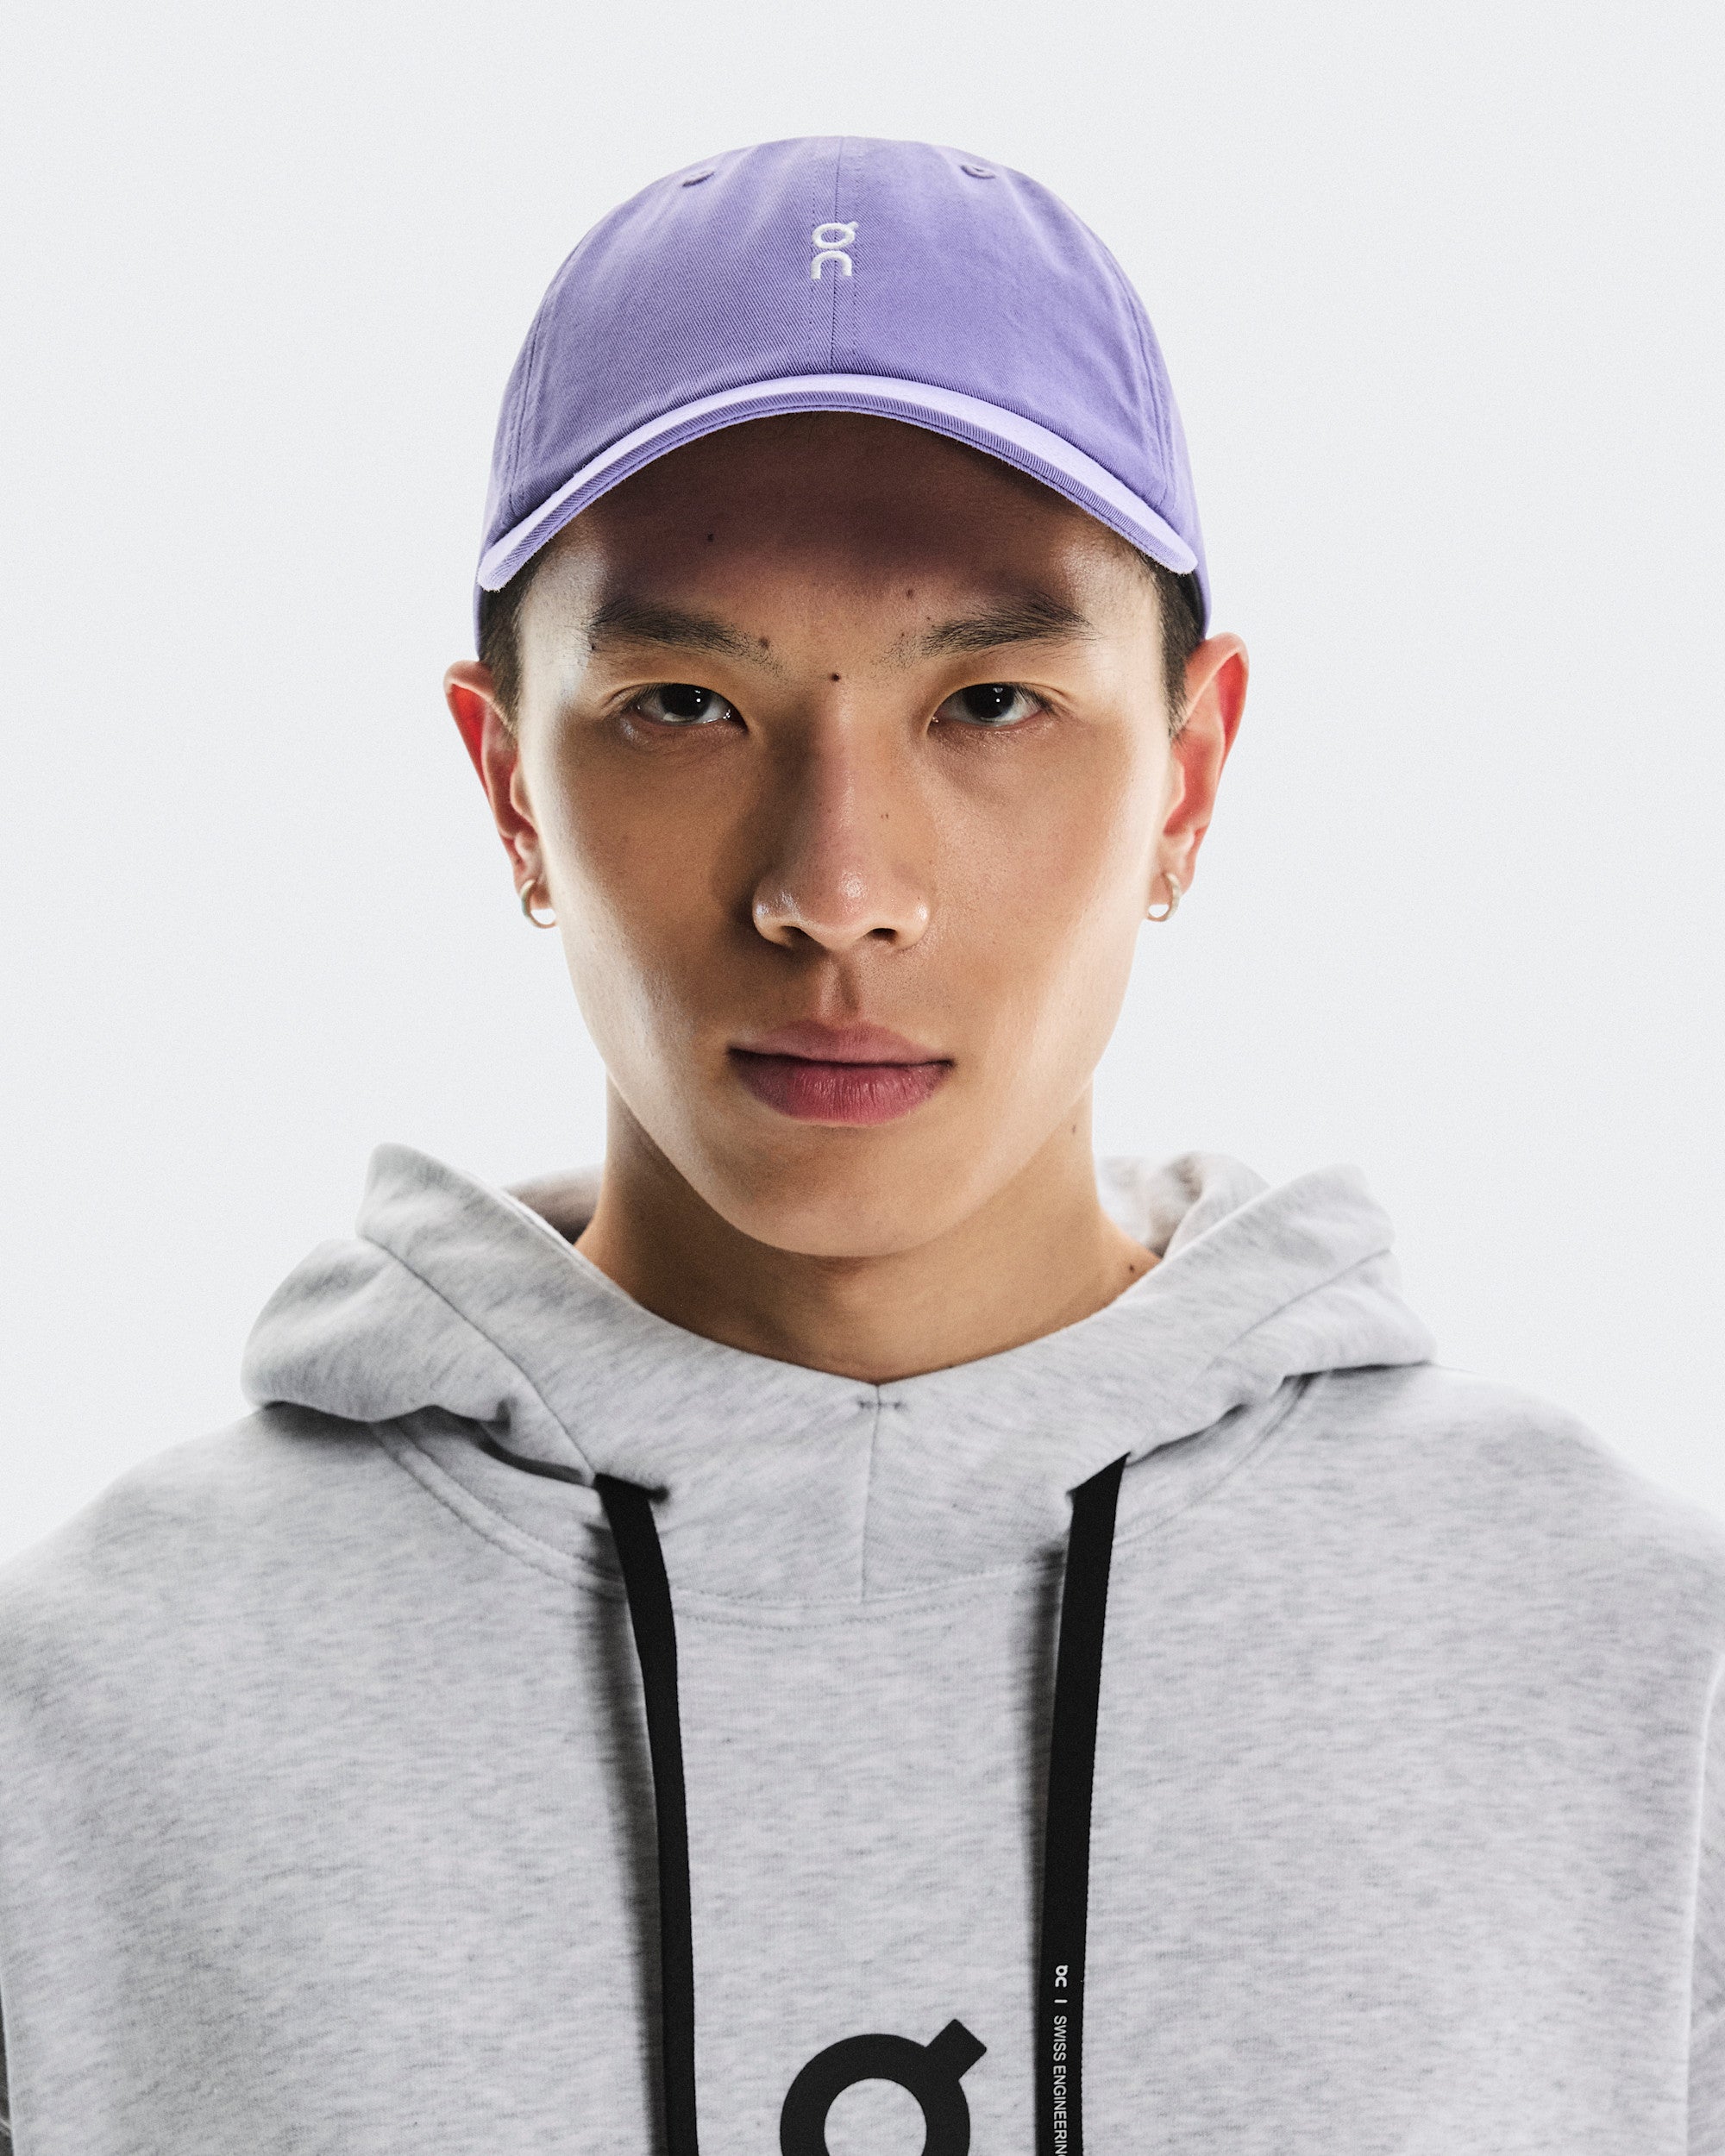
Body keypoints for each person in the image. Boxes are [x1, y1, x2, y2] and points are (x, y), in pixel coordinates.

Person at [1, 135, 1722, 2156]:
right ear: (509, 787)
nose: (834, 888)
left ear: (1187, 776)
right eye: (680, 704)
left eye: (987, 702)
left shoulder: (1629, 1666)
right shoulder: (92, 1706)